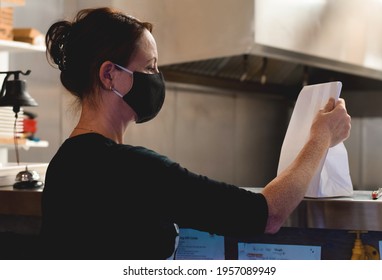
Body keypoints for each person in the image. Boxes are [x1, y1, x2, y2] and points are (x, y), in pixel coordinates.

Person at [41, 7, 351, 260]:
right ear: (110, 75)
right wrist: (321, 137)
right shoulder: (132, 168)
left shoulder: (63, 164)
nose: (156, 79)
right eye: (149, 68)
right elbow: (267, 215)